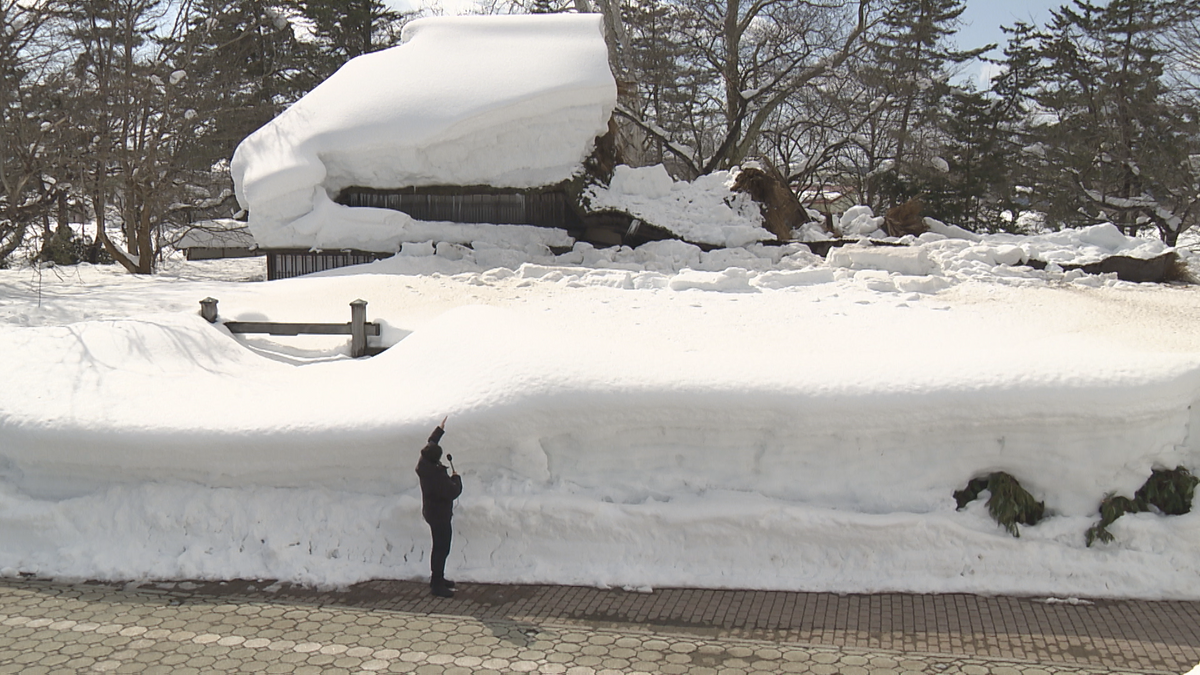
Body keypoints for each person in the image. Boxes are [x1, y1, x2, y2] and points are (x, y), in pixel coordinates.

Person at [415, 417, 462, 597]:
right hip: (439, 516)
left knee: (439, 546)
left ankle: (439, 579)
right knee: (442, 547)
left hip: (431, 512)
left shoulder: (424, 462)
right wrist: (456, 479)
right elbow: (452, 492)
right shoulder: (435, 475)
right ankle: (437, 584)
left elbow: (431, 442)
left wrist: (439, 430)